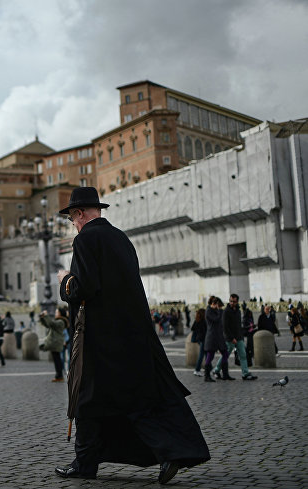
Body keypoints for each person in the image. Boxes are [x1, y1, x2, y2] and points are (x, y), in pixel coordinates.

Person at [54, 187, 209, 483]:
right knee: (119, 402)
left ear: (80, 214)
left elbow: (85, 288)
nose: (73, 223)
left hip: (99, 340)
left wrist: (65, 281)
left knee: (90, 400)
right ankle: (86, 462)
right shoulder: (121, 238)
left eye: (73, 218)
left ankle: (93, 462)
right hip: (133, 334)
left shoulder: (85, 239)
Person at [214, 294, 257, 380]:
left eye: (234, 301)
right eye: (230, 301)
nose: (232, 303)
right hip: (230, 338)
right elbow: (225, 327)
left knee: (243, 355)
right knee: (225, 355)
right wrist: (231, 338)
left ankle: (245, 373)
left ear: (237, 302)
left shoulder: (238, 311)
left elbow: (238, 325)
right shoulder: (226, 311)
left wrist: (241, 334)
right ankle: (216, 370)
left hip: (239, 337)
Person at [205, 296, 232, 381]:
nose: (219, 307)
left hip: (219, 336)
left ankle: (225, 374)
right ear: (213, 304)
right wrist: (219, 311)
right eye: (218, 305)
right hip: (212, 337)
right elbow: (216, 319)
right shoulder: (209, 311)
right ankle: (207, 376)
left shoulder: (215, 311)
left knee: (225, 353)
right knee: (210, 356)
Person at [39, 308, 68, 382]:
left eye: (56, 312)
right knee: (56, 360)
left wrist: (46, 315)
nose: (55, 313)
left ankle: (60, 376)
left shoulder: (61, 321)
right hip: (54, 343)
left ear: (60, 313)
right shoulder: (58, 321)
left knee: (57, 360)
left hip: (56, 343)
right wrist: (42, 318)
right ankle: (58, 375)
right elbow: (48, 324)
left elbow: (51, 324)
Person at [190, 309, 206, 377]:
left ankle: (208, 368)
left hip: (199, 339)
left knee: (206, 354)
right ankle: (197, 370)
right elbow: (205, 330)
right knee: (202, 355)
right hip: (203, 339)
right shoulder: (203, 321)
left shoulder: (197, 320)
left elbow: (192, 328)